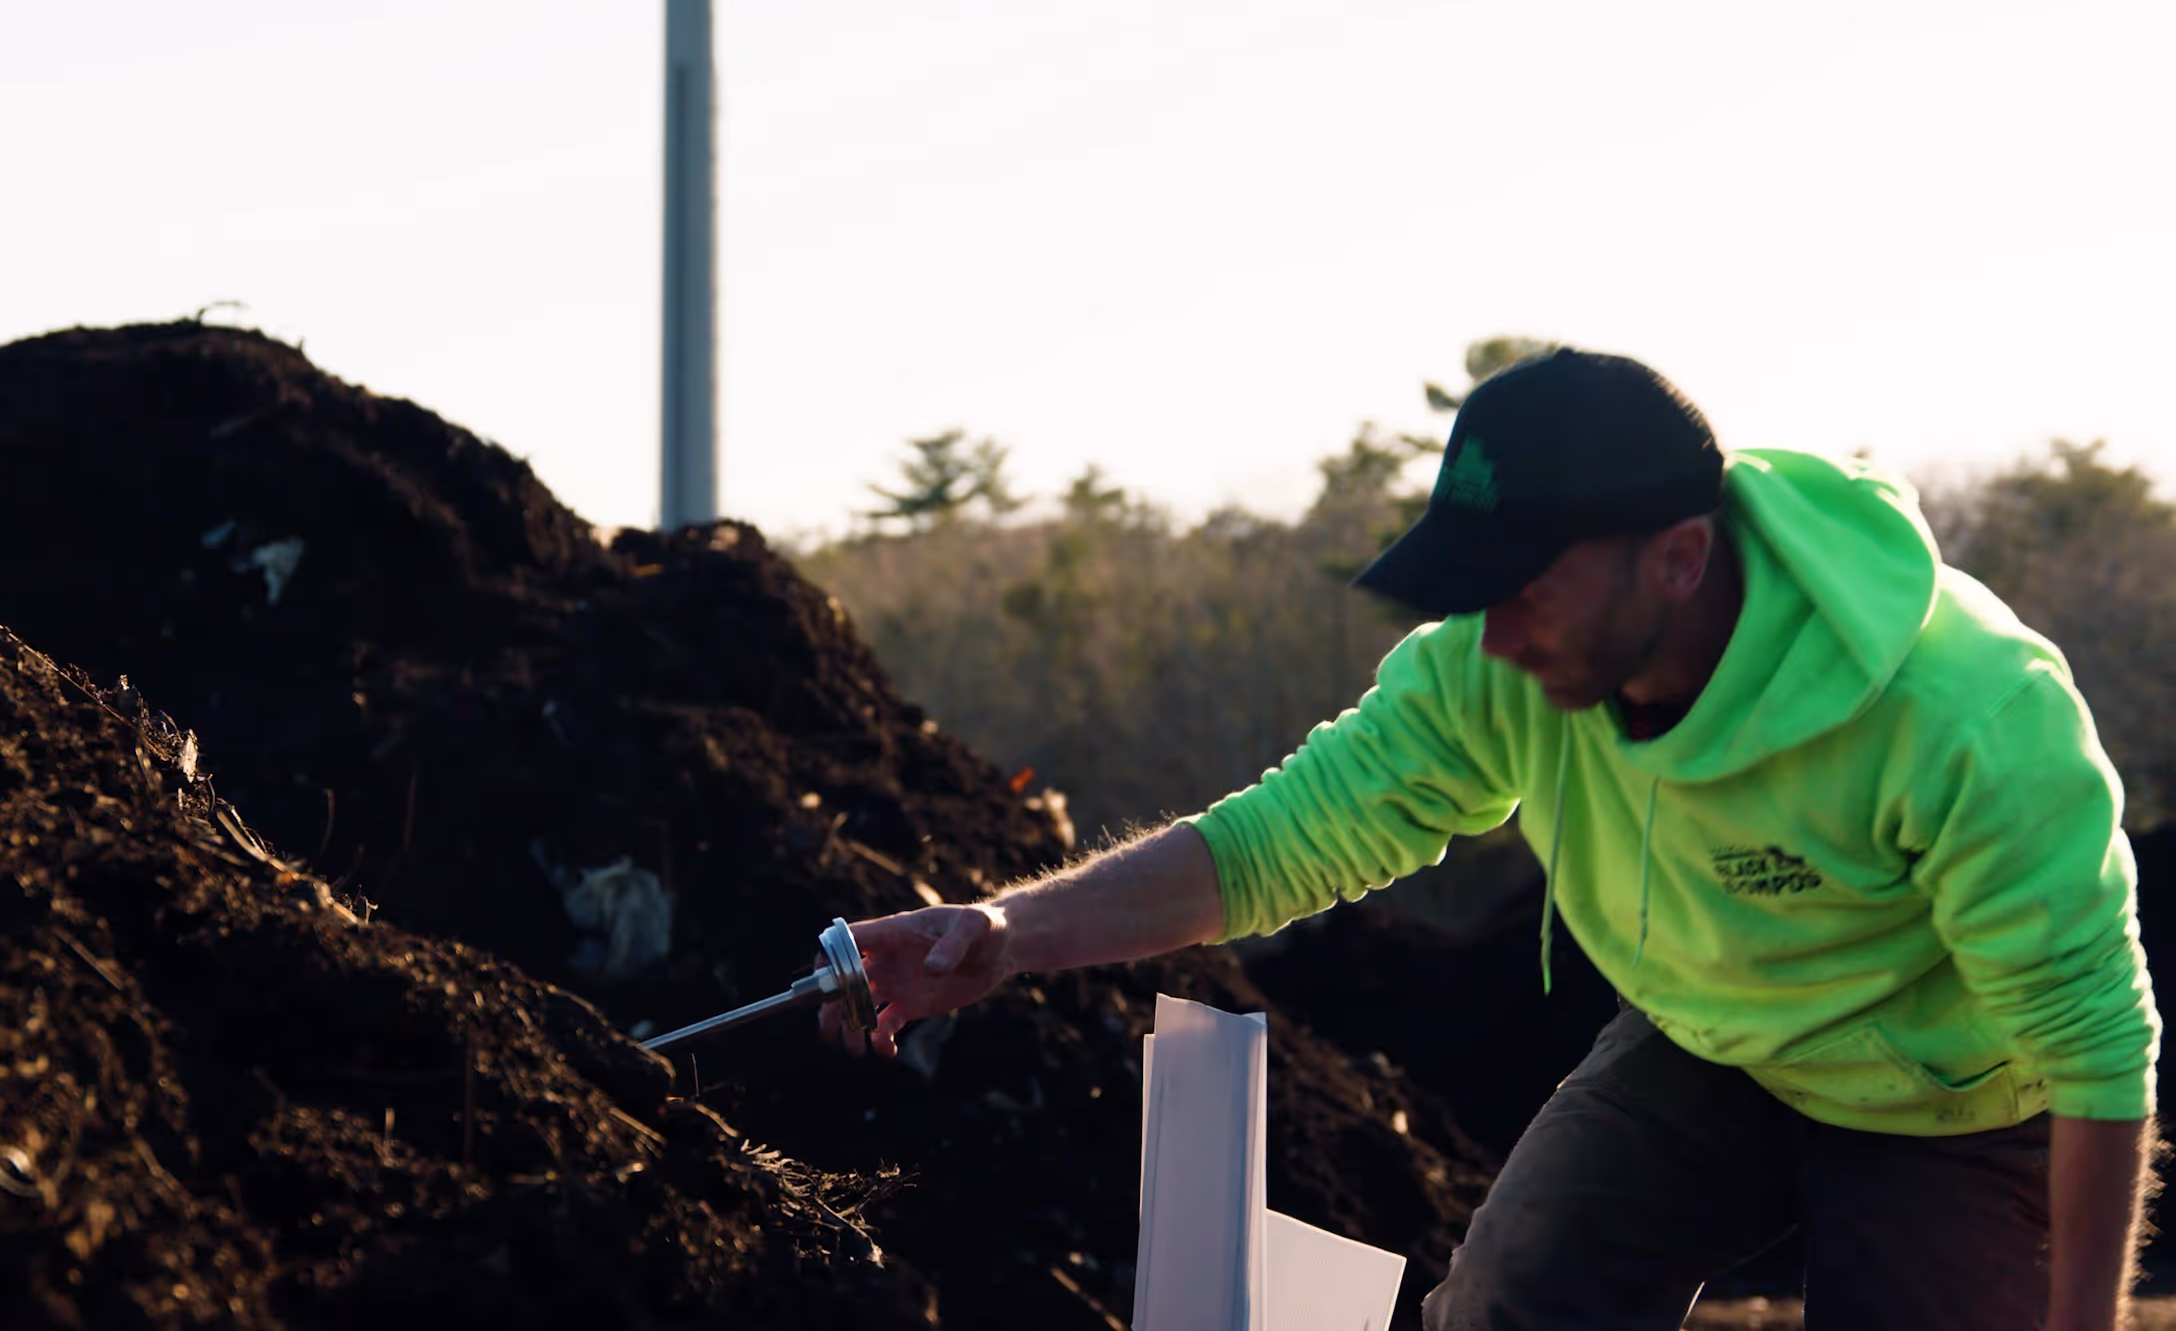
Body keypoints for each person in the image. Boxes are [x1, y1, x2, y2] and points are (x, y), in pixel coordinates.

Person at [821, 349, 2160, 1330]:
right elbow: (1277, 842)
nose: (1498, 639)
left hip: (1958, 1104)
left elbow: (2096, 1054)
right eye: (1477, 599)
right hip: (1716, 1044)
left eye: (1525, 592)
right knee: (1514, 1300)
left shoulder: (1963, 715)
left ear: (1680, 559)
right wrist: (1006, 936)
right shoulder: (1497, 666)